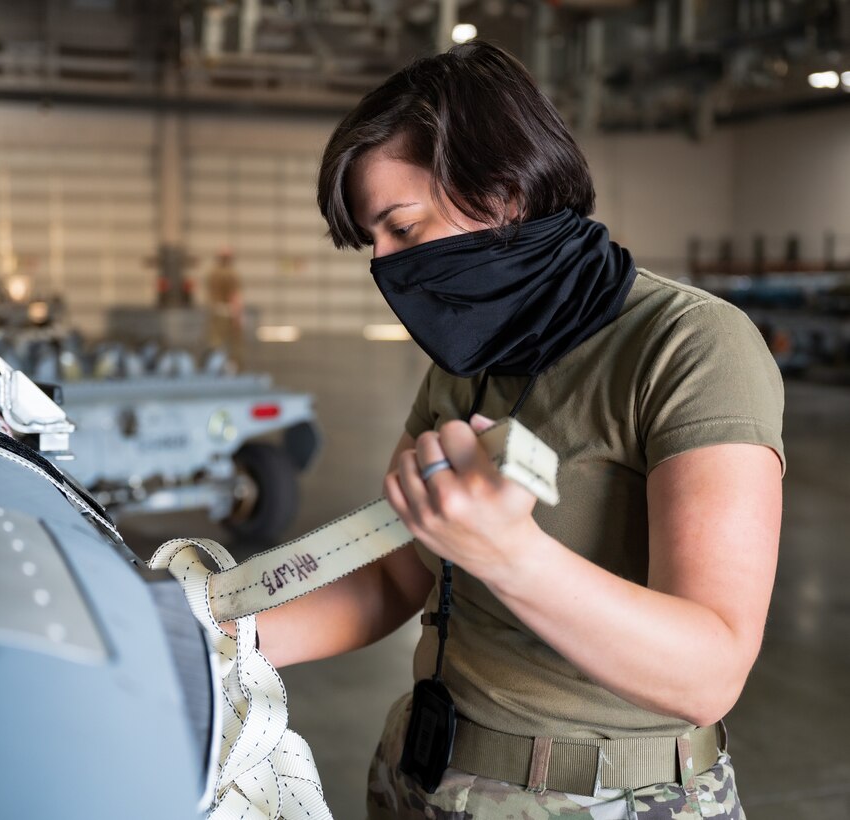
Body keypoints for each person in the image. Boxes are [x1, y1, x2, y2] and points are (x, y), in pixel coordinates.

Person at [251, 41, 784, 819]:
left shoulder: (691, 345)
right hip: (425, 776)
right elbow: (397, 574)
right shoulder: (473, 351)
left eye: (401, 228)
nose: (386, 266)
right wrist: (216, 642)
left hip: (603, 798)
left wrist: (511, 556)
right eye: (372, 243)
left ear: (503, 194)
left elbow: (707, 672)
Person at [206, 246, 245, 369]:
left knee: (216, 342)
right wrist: (238, 317)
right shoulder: (232, 274)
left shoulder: (212, 274)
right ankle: (232, 369)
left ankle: (215, 368)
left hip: (215, 312)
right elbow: (234, 297)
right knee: (234, 346)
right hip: (229, 312)